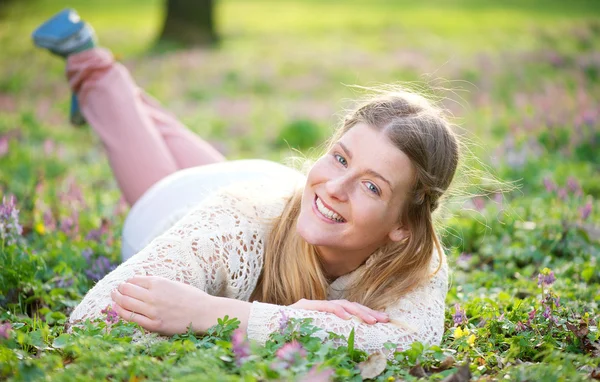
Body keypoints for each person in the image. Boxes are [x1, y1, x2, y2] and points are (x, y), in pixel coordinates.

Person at [33, 9, 459, 355]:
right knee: (157, 169)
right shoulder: (237, 225)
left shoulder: (417, 262)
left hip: (265, 188)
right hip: (191, 206)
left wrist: (217, 312)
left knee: (155, 134)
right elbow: (93, 319)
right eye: (340, 157)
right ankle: (88, 60)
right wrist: (292, 322)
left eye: (372, 187)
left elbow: (410, 342)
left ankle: (115, 92)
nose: (334, 186)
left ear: (404, 225)